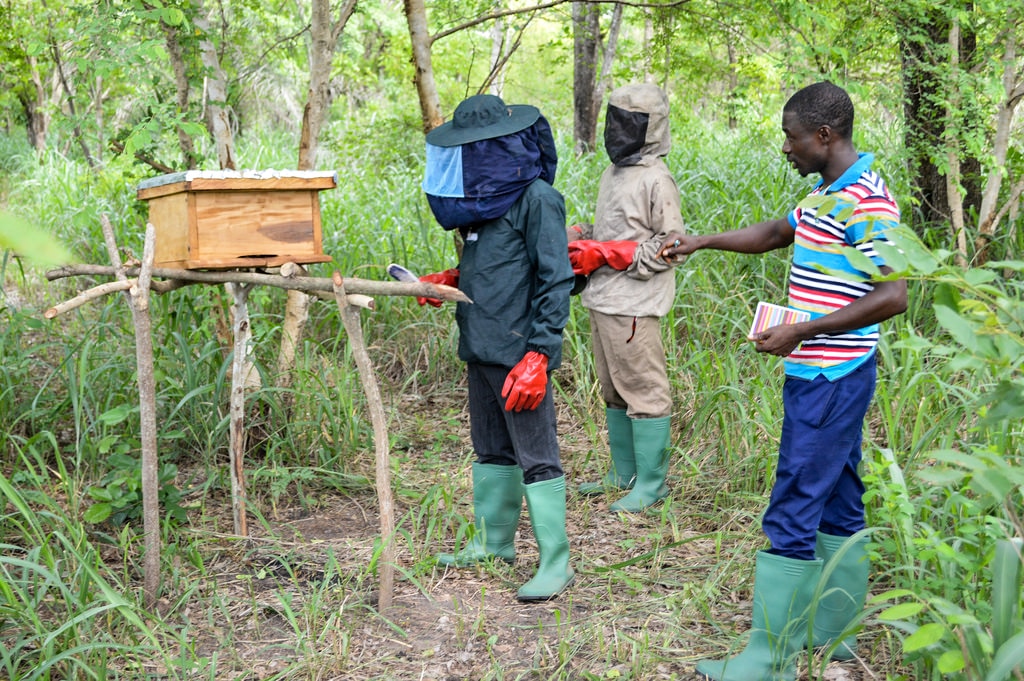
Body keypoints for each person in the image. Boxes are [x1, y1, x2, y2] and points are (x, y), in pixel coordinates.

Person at [660, 81, 908, 681]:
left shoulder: (868, 203)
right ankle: (836, 632)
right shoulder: (826, 193)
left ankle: (767, 658)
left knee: (794, 499)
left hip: (831, 375)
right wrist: (702, 242)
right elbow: (776, 233)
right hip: (821, 370)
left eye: (791, 138)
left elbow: (893, 295)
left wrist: (803, 330)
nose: (786, 148)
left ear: (823, 135)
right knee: (840, 496)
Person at [415, 93, 576, 602]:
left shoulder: (537, 199)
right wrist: (450, 280)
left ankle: (556, 562)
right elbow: (498, 267)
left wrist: (539, 356)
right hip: (480, 346)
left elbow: (555, 279)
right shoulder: (482, 205)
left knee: (537, 458)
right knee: (491, 450)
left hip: (519, 355)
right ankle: (494, 543)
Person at [567, 83, 686, 513]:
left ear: (650, 128)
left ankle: (652, 485)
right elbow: (619, 230)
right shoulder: (613, 173)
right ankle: (623, 473)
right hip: (602, 298)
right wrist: (583, 236)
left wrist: (611, 254)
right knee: (613, 388)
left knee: (644, 390)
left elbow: (672, 245)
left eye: (627, 123)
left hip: (635, 304)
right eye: (613, 120)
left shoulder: (656, 178)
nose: (616, 131)